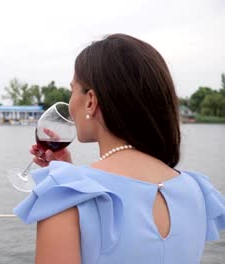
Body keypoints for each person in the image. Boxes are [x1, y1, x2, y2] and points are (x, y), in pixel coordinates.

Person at [14, 34, 225, 263]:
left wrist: (67, 185)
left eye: (72, 90)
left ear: (91, 101)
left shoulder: (64, 196)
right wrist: (69, 175)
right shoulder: (197, 190)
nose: (70, 102)